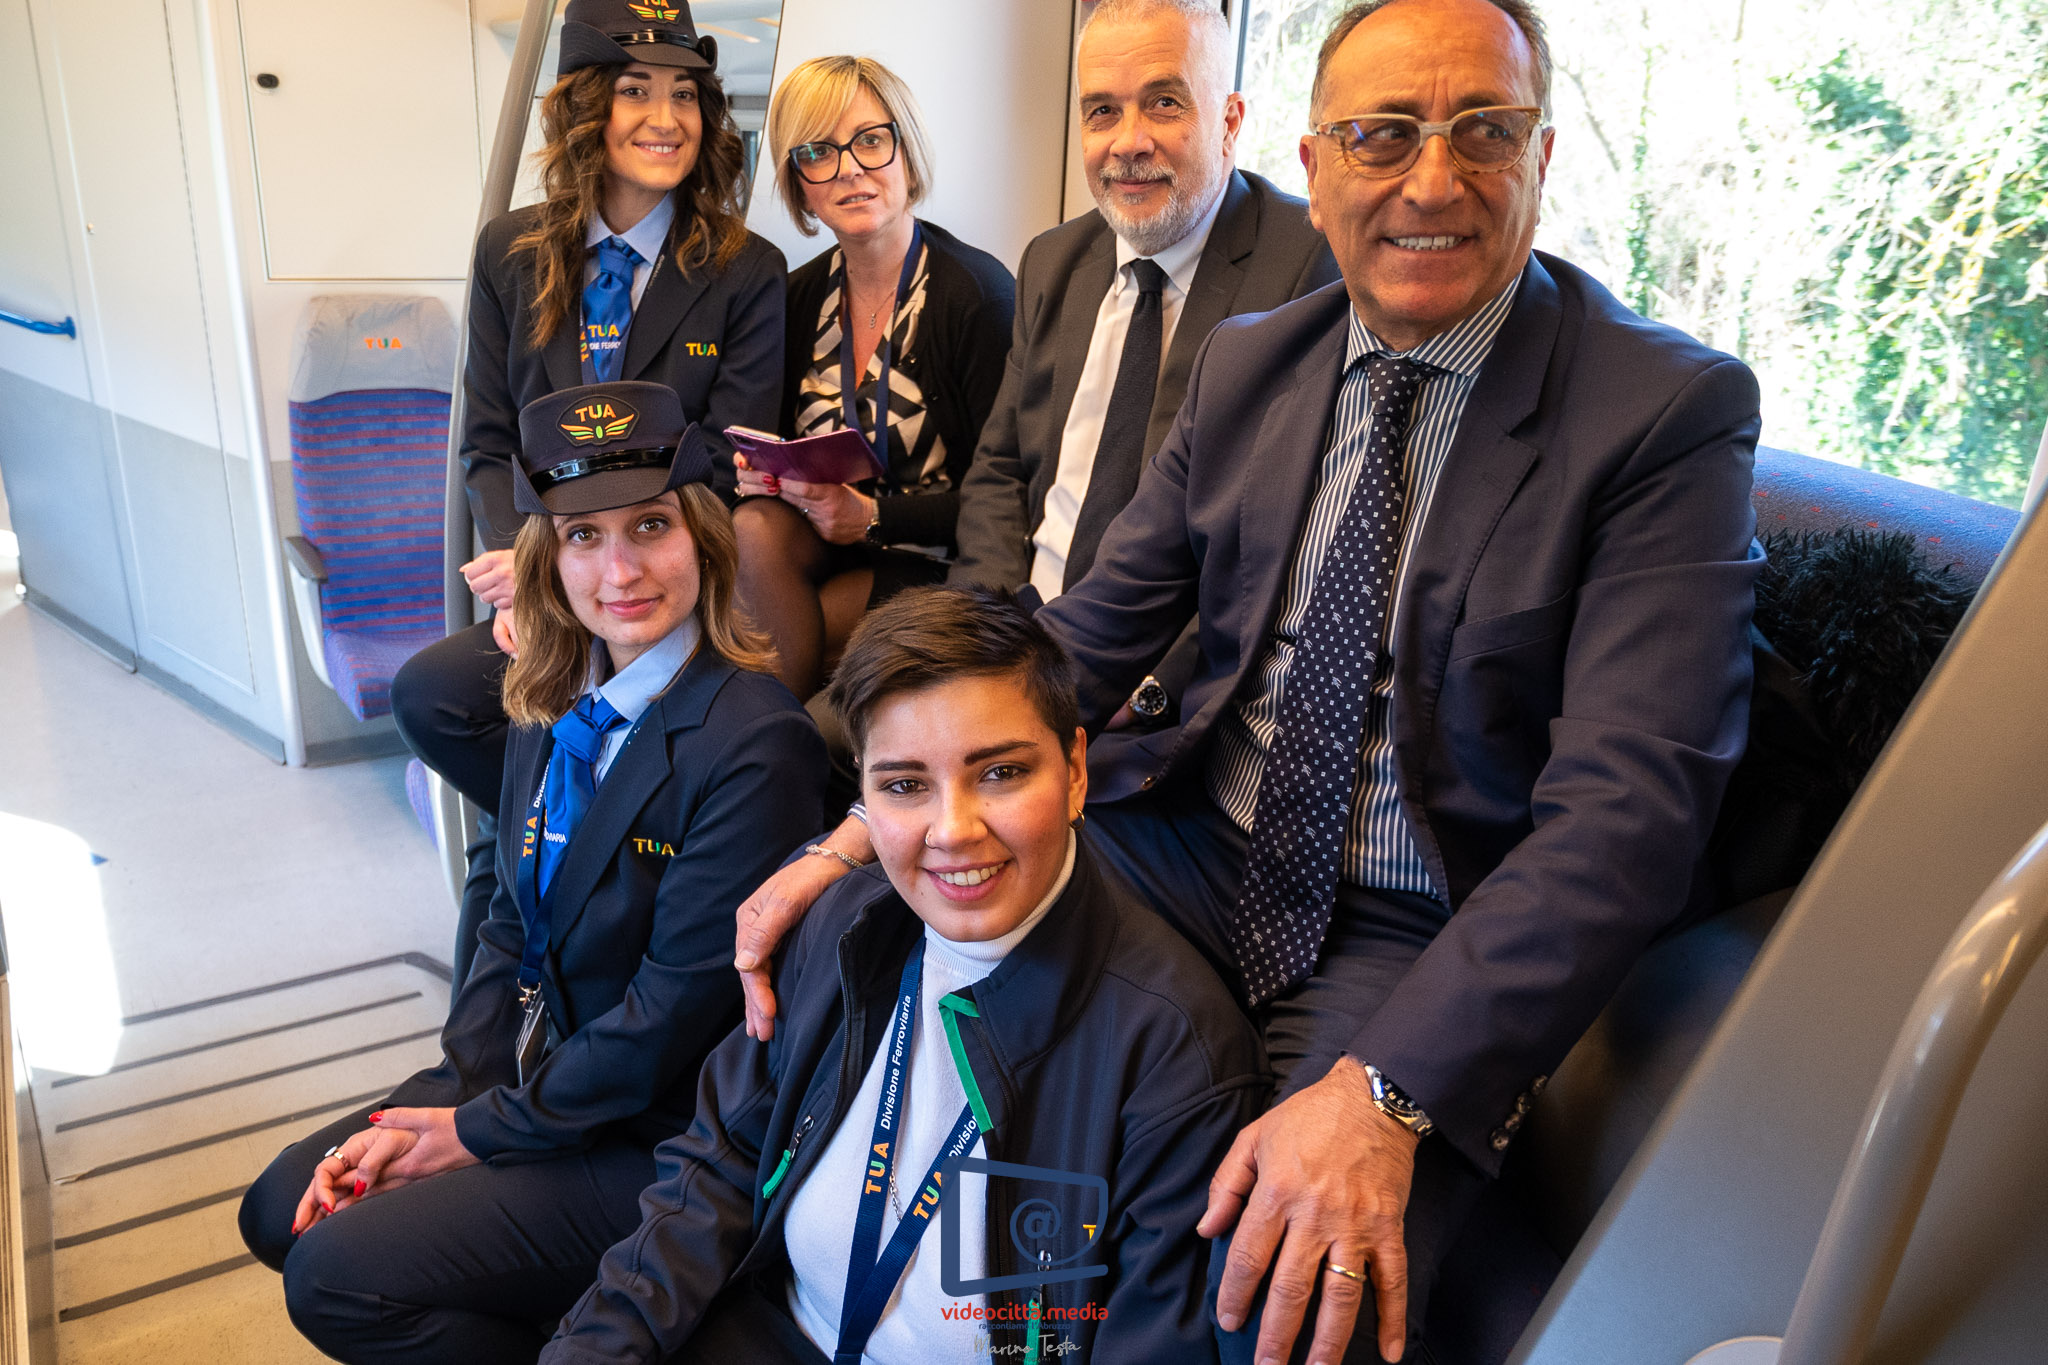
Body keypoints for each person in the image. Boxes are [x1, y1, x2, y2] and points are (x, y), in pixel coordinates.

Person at [733, 1, 1766, 1361]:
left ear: (1541, 155)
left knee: (1271, 1286)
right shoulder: (1253, 362)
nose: (1431, 182)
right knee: (863, 917)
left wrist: (1389, 1091)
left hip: (1415, 917)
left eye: (1483, 132)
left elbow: (1627, 819)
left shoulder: (1662, 414)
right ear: (1315, 166)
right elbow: (1088, 636)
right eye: (1382, 135)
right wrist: (866, 826)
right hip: (1195, 839)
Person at [240, 382, 826, 1365]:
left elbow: (663, 1025)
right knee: (276, 1210)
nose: (621, 570)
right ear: (544, 560)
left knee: (333, 1275)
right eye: (583, 536)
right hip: (536, 1077)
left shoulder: (755, 742)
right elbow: (509, 924)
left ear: (704, 539)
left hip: (652, 1135)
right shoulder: (551, 693)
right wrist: (457, 1086)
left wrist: (472, 1134)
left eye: (651, 526)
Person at [537, 587, 1263, 1365]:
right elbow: (719, 1165)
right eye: (905, 785)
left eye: (1001, 772)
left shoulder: (1178, 1053)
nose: (953, 830)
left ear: (1077, 771)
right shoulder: (843, 921)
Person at [388, 0, 787, 988]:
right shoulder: (510, 252)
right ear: (585, 107)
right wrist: (531, 565)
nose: (666, 117)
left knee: (520, 800)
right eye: (635, 90)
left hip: (663, 575)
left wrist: (604, 554)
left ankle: (574, 867)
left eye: (684, 94)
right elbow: (489, 438)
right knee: (435, 699)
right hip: (554, 572)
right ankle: (564, 877)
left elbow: (721, 456)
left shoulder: (744, 269)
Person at [947, 0, 1337, 723]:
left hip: (1160, 681)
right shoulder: (1052, 261)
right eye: (1102, 111)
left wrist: (1156, 682)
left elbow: (1285, 538)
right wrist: (986, 632)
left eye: (1164, 103)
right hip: (1017, 634)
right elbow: (1000, 470)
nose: (1128, 142)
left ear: (1229, 121)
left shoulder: (1308, 268)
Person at [733, 56, 1016, 701]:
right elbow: (775, 445)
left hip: (933, 557)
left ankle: (764, 747)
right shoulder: (795, 297)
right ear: (799, 181)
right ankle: (759, 744)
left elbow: (1006, 497)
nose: (849, 169)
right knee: (751, 530)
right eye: (818, 152)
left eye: (869, 140)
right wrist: (765, 475)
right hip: (822, 542)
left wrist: (874, 518)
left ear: (906, 153)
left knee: (767, 636)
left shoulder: (976, 297)